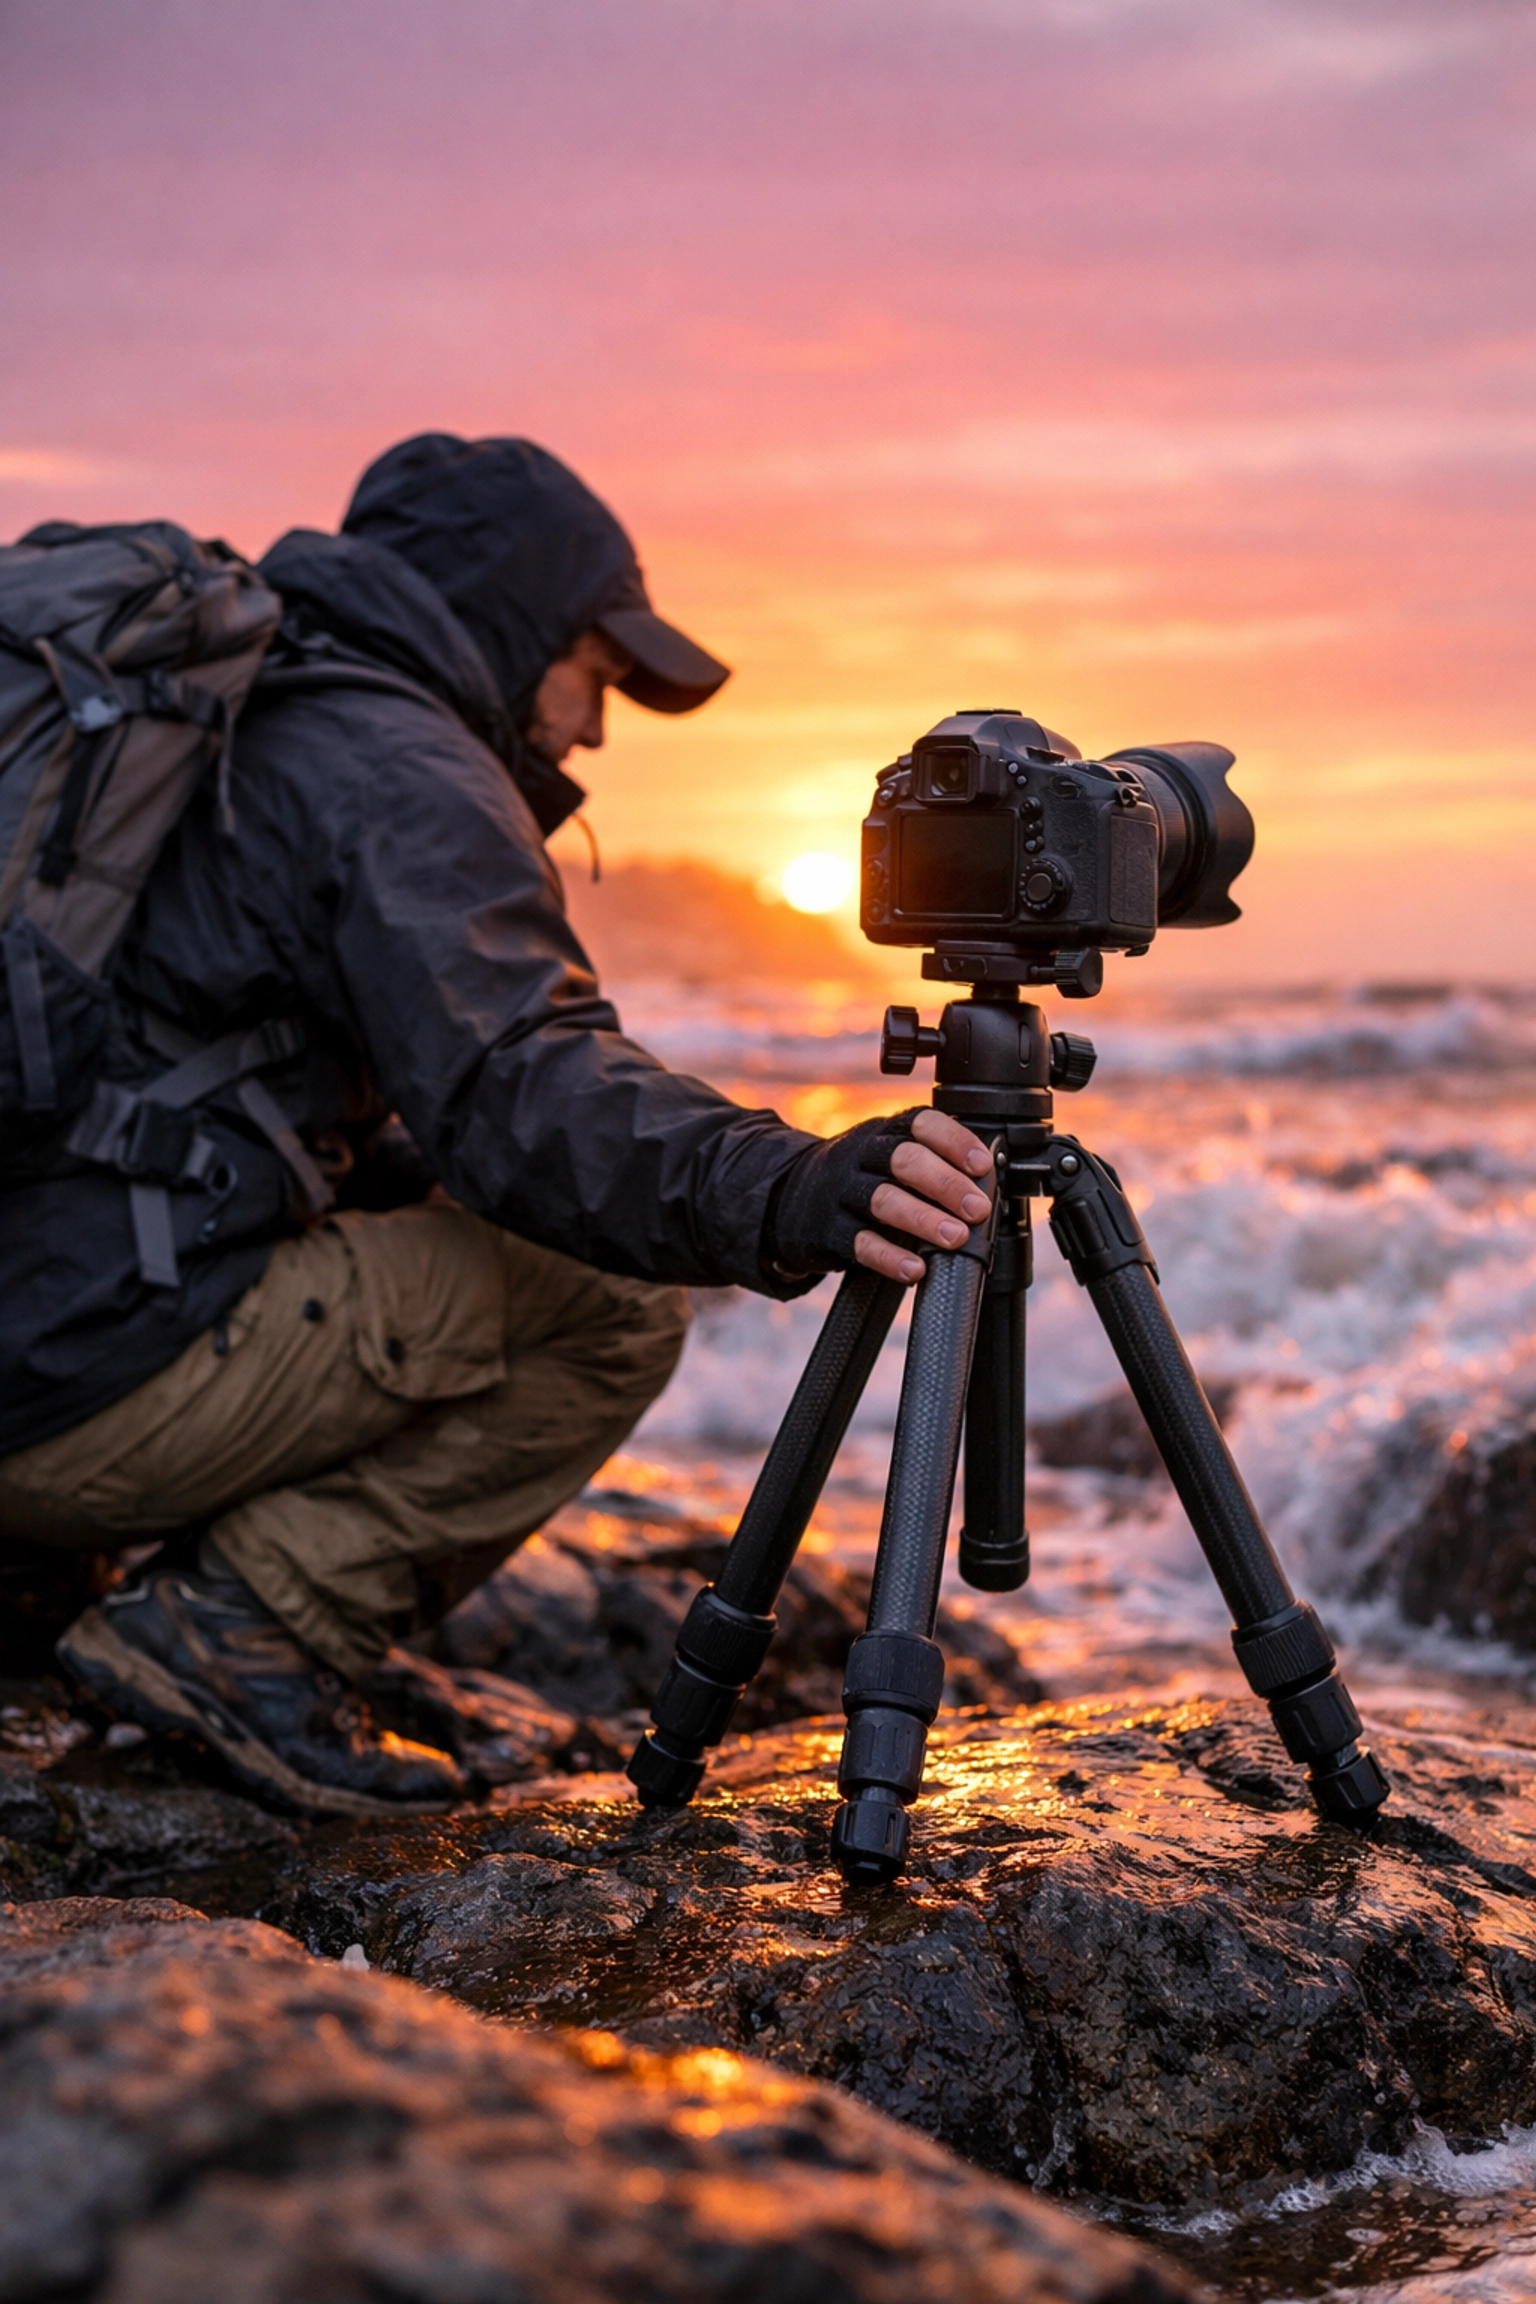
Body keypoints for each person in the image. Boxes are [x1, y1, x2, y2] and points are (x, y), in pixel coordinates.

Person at [0, 434, 993, 1816]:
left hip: (32, 1342)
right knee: (612, 1304)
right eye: (594, 670)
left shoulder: (248, 714)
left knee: (441, 1207)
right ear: (515, 619)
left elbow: (207, 1093)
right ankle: (241, 1634)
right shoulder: (400, 767)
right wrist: (789, 1186)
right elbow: (527, 1086)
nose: (594, 726)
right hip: (64, 1400)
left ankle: (50, 1575)